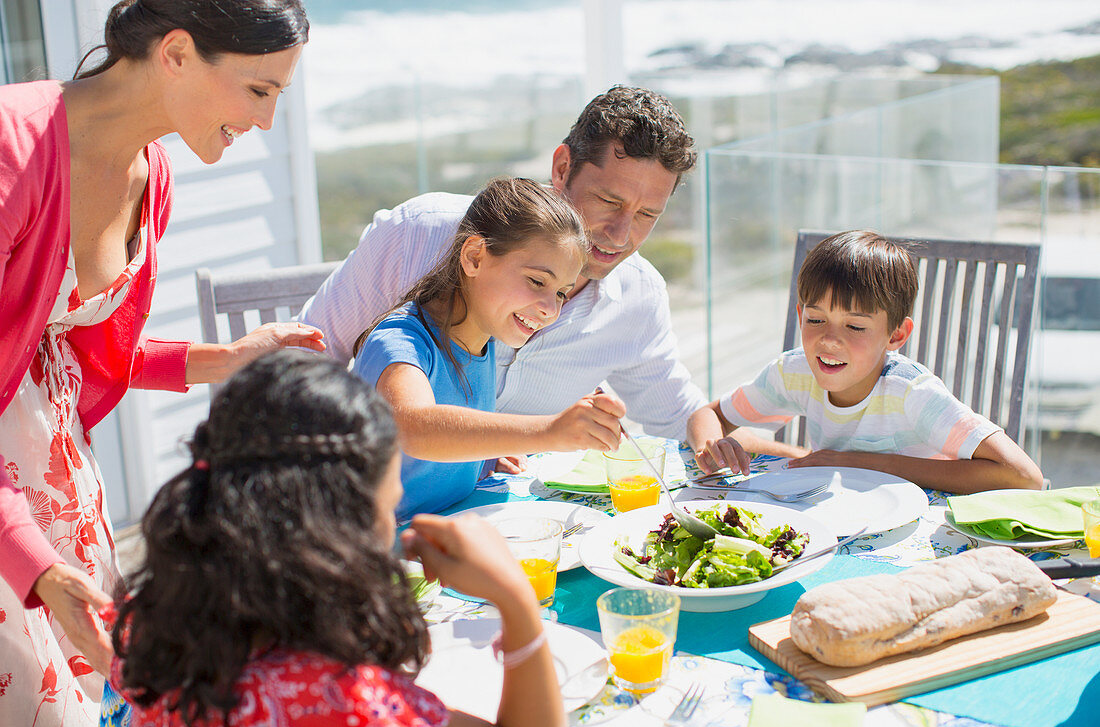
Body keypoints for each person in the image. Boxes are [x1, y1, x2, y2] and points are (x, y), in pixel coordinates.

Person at [0, 2, 324, 727]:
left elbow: (78, 359)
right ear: (176, 53)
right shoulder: (11, 147)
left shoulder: (153, 175)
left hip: (57, 490)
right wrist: (37, 569)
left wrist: (229, 360)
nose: (268, 122)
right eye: (259, 90)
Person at [105, 349, 566, 727]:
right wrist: (517, 601)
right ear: (336, 532)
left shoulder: (150, 631)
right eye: (389, 508)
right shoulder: (346, 702)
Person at [299, 86, 711, 455]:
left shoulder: (638, 297)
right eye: (608, 200)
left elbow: (682, 417)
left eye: (646, 215)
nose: (621, 236)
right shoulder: (416, 239)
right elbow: (303, 369)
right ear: (563, 167)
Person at [687, 230, 1044, 494]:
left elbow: (1024, 477)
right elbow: (708, 415)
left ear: (896, 336)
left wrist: (858, 461)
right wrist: (711, 447)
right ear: (800, 315)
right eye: (815, 319)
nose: (829, 339)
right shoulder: (795, 372)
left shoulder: (911, 393)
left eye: (855, 325)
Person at [353, 177, 626, 520]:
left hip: (440, 535)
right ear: (474, 257)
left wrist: (481, 456)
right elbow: (416, 429)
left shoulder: (483, 341)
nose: (550, 309)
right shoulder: (400, 342)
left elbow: (440, 445)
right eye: (537, 281)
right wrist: (549, 431)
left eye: (560, 293)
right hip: (371, 555)